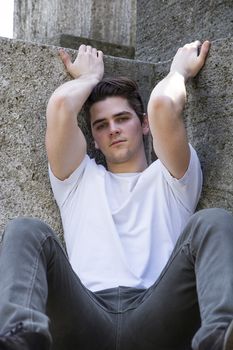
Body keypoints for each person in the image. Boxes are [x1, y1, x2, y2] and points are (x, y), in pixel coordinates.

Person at [0, 40, 233, 350]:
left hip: (159, 314)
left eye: (122, 118)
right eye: (101, 124)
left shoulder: (173, 177)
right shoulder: (77, 180)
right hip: (85, 316)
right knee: (26, 229)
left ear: (144, 124)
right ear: (93, 139)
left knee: (213, 221)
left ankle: (220, 336)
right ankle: (19, 338)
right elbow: (60, 108)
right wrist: (88, 78)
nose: (113, 129)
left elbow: (163, 105)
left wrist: (179, 71)